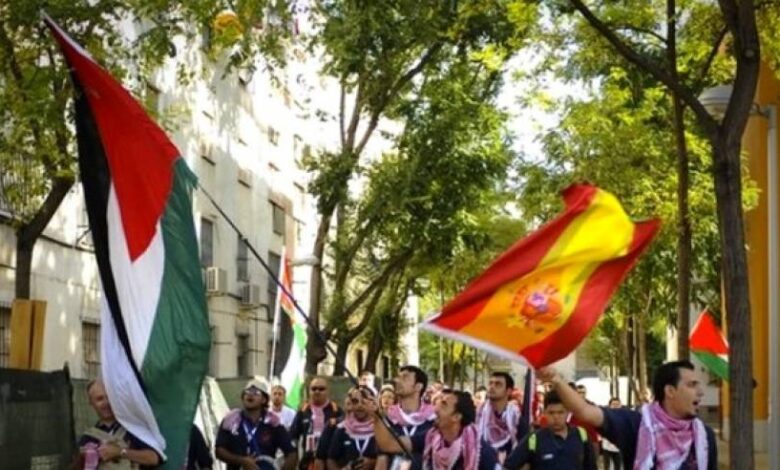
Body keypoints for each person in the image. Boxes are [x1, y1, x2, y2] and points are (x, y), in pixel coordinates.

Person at [537, 361, 718, 469]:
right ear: (670, 391)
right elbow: (585, 411)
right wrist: (556, 379)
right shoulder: (637, 424)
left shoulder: (704, 436)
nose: (700, 392)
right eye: (692, 385)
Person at [370, 389, 499, 469]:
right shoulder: (430, 437)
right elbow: (389, 445)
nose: (435, 409)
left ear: (456, 417)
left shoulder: (481, 452)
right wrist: (376, 416)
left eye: (444, 405)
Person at [72, 380, 161, 469]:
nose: (106, 403)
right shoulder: (88, 438)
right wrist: (83, 459)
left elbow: (153, 458)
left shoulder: (133, 428)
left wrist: (120, 452)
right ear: (91, 402)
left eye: (110, 397)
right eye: (100, 399)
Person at [215, 379, 297, 470]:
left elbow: (292, 453)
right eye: (247, 392)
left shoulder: (273, 422)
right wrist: (241, 461)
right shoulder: (231, 420)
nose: (250, 395)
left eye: (256, 392)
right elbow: (219, 450)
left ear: (264, 399)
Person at [504, 390, 597, 469]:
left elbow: (591, 466)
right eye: (551, 413)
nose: (556, 417)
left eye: (560, 412)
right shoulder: (534, 439)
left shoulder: (581, 435)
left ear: (568, 412)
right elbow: (509, 466)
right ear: (544, 412)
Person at [383, 365, 436, 469]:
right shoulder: (388, 418)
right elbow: (382, 458)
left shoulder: (434, 420)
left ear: (418, 386)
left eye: (404, 377)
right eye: (398, 377)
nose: (397, 381)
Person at [291, 377, 344, 469]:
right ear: (309, 391)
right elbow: (293, 436)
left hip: (330, 461)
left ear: (328, 391)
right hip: (308, 461)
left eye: (321, 389)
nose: (317, 391)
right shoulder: (303, 411)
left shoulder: (336, 410)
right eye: (314, 389)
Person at [476, 372, 529, 464]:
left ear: (509, 391)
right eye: (490, 383)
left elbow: (527, 447)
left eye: (498, 384)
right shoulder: (478, 415)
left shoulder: (516, 418)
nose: (492, 387)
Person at [327, 387, 378, 470]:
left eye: (364, 402)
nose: (359, 406)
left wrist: (373, 462)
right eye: (355, 402)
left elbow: (390, 457)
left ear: (372, 403)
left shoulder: (380, 429)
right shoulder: (342, 429)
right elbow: (331, 459)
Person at [600, 398, 622, 470]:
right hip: (607, 446)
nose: (615, 406)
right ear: (609, 406)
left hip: (618, 448)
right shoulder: (605, 417)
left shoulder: (624, 418)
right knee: (607, 466)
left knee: (618, 466)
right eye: (613, 404)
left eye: (617, 404)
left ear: (620, 406)